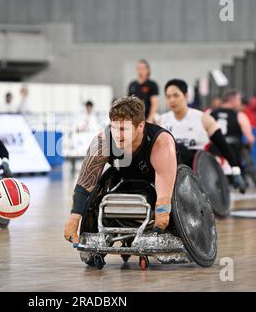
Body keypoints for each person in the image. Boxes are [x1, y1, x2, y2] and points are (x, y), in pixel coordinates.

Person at [64, 96, 177, 245]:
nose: (117, 135)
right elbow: (85, 184)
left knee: (164, 219)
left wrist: (160, 223)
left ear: (140, 126)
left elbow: (163, 202)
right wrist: (73, 220)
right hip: (125, 179)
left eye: (123, 129)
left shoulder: (161, 143)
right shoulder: (103, 141)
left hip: (161, 182)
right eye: (114, 127)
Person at [158, 79, 246, 192]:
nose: (172, 100)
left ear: (186, 96)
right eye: (168, 96)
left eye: (176, 95)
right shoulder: (162, 120)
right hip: (171, 164)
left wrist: (235, 171)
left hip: (198, 164)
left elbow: (223, 146)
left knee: (177, 147)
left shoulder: (203, 118)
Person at [210, 89, 256, 170]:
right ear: (232, 100)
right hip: (234, 152)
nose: (240, 102)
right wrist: (248, 148)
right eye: (239, 99)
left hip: (214, 151)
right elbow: (250, 139)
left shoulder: (210, 113)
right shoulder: (240, 115)